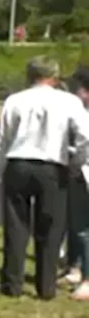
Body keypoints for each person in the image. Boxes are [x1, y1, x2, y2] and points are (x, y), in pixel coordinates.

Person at [0, 56, 89, 300]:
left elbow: (2, 140)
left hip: (18, 163)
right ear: (55, 76)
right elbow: (85, 136)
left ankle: (12, 283)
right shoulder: (69, 102)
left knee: (16, 226)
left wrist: (0, 169)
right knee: (51, 228)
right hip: (53, 166)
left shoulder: (15, 100)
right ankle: (46, 286)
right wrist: (75, 163)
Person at [67, 67, 89, 299]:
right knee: (78, 226)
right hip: (80, 172)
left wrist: (74, 159)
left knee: (84, 229)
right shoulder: (81, 113)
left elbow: (85, 146)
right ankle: (75, 268)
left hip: (84, 170)